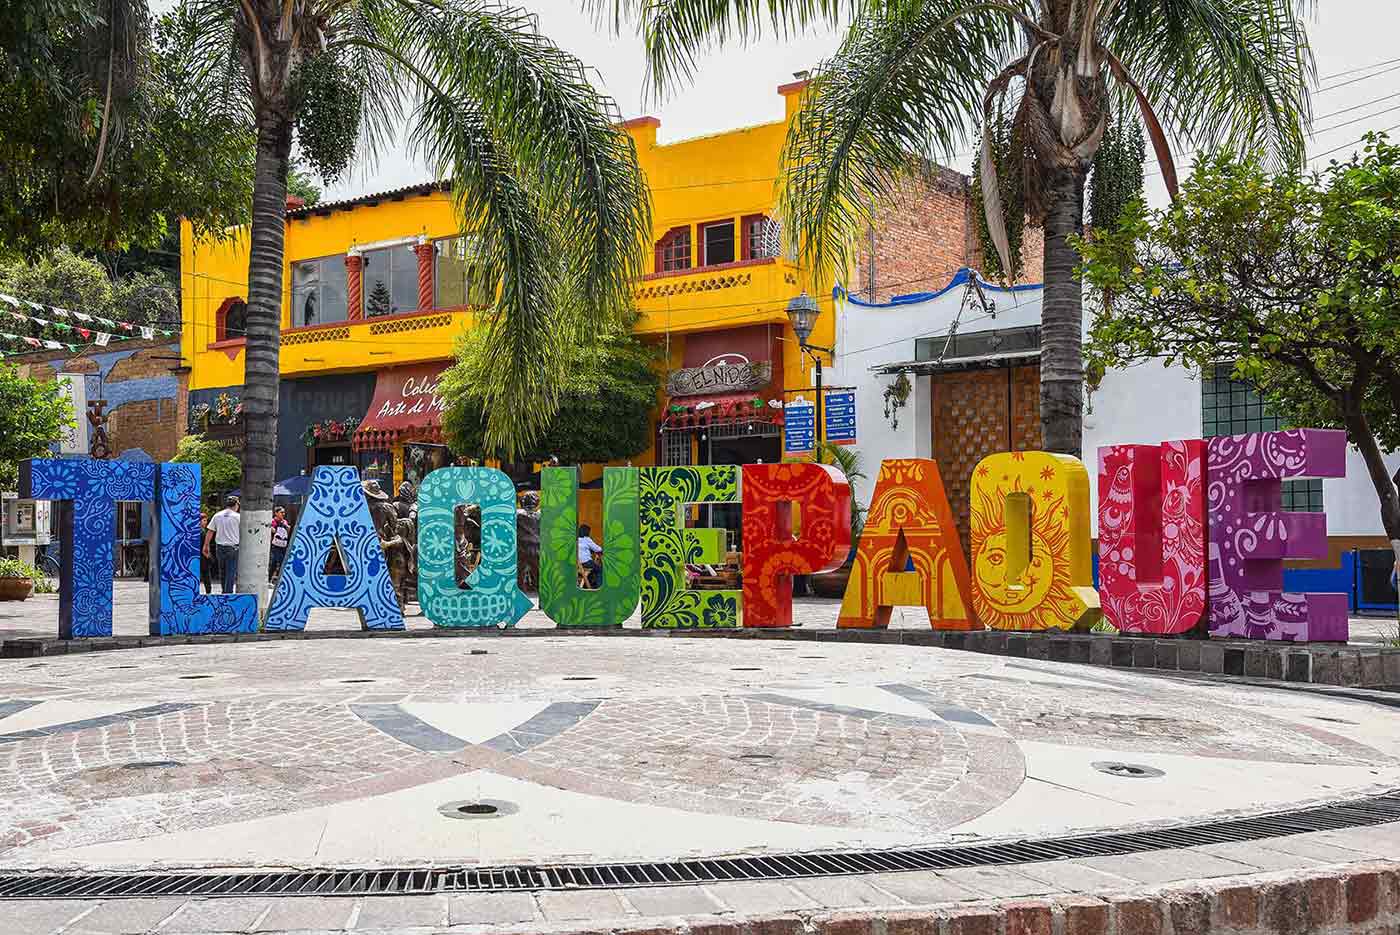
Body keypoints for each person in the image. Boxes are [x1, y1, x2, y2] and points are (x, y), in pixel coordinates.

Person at [204, 495, 241, 593]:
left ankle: (224, 591)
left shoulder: (217, 515)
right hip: (233, 548)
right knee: (231, 572)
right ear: (236, 504)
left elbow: (210, 531)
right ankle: (227, 592)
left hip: (219, 548)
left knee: (222, 571)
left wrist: (206, 545)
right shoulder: (238, 517)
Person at [577, 524, 602, 589]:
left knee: (593, 569)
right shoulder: (586, 539)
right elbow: (598, 549)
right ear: (587, 532)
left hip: (577, 564)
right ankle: (598, 587)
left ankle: (590, 584)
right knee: (599, 569)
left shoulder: (575, 539)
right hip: (586, 563)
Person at [269, 506, 291, 579]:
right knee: (280, 562)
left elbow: (287, 531)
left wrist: (286, 527)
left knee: (274, 563)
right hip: (275, 545)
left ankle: (271, 578)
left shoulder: (285, 522)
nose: (283, 514)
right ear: (276, 513)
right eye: (281, 512)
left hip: (283, 545)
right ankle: (277, 578)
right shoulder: (273, 521)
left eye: (284, 512)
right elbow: (272, 530)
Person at [198, 508, 214, 594]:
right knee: (206, 575)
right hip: (203, 556)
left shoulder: (197, 532)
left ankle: (208, 590)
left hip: (199, 556)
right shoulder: (202, 532)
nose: (206, 522)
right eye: (204, 520)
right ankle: (208, 591)